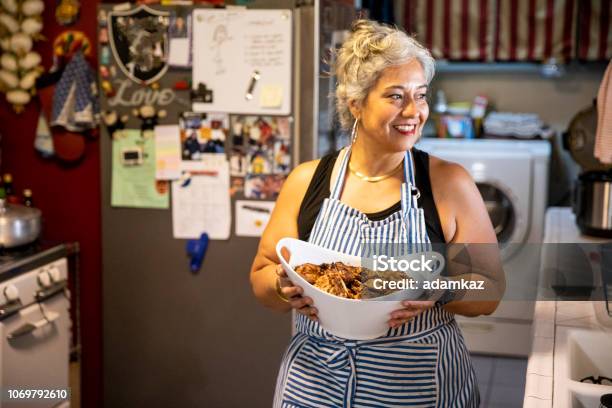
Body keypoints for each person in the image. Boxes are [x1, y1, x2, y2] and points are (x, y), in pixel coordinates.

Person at [250, 19, 504, 407]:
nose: (414, 111)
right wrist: (284, 287)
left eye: (420, 95)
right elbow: (261, 277)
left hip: (418, 386)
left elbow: (489, 288)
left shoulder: (449, 184)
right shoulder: (306, 181)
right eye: (396, 96)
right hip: (315, 386)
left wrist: (436, 288)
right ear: (356, 103)